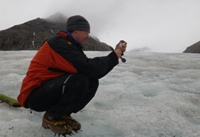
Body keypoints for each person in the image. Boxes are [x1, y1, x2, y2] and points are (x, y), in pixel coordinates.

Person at [17, 15, 127, 136]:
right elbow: (89, 68)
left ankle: (63, 114)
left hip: (47, 91)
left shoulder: (70, 45)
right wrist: (114, 55)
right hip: (34, 96)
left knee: (91, 80)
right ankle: (51, 117)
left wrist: (114, 55)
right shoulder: (59, 44)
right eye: (86, 31)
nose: (88, 36)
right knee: (80, 79)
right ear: (76, 30)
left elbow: (92, 71)